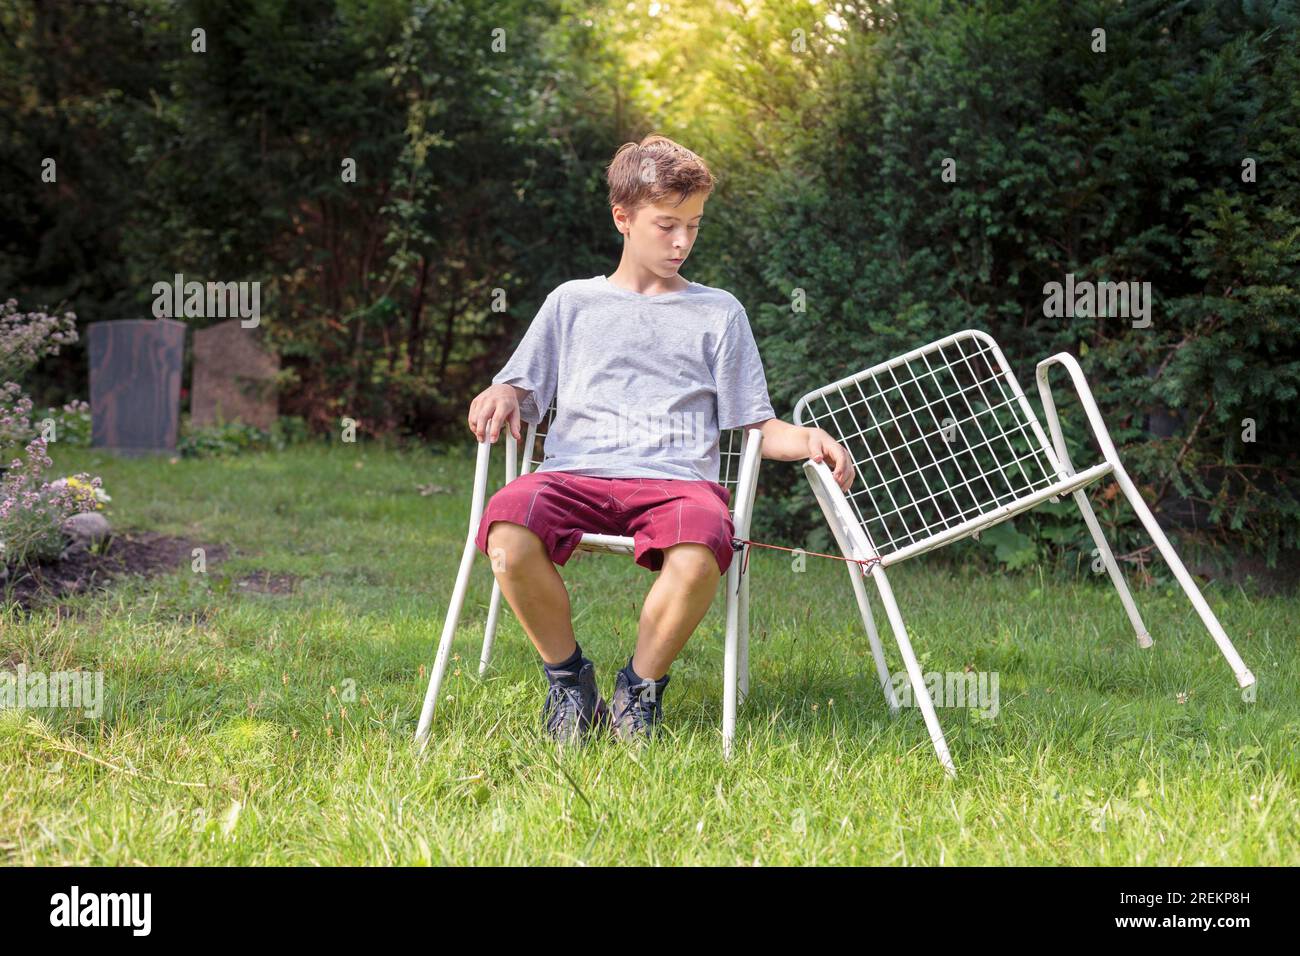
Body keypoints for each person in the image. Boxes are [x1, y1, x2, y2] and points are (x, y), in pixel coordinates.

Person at [467, 133, 853, 747]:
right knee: (508, 531)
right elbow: (520, 387)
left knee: (703, 546)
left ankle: (639, 689)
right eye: (667, 225)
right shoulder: (573, 302)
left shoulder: (719, 311)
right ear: (622, 217)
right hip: (575, 474)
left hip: (676, 483)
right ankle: (569, 681)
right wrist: (503, 392)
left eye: (694, 226)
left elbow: (756, 424)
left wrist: (806, 438)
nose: (682, 242)